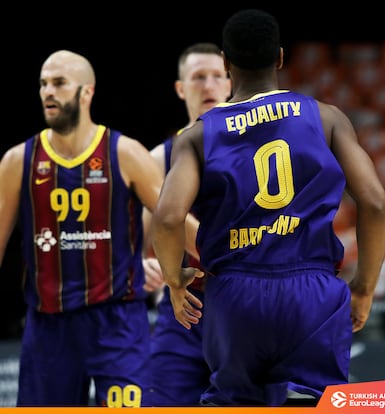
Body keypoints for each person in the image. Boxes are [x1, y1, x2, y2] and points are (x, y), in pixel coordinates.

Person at [150, 9, 385, 407]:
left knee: (234, 401)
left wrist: (176, 282)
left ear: (226, 64)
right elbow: (377, 204)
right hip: (311, 292)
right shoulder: (326, 117)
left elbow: (168, 217)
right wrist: (363, 288)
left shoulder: (197, 135)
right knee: (315, 401)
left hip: (234, 294)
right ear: (280, 57)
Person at [0, 49, 200, 407]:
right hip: (48, 327)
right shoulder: (18, 161)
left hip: (117, 322)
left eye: (59, 83)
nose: (48, 91)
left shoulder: (125, 153)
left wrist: (235, 260)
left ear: (86, 92)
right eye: (43, 83)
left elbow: (175, 221)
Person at [142, 42, 231, 406]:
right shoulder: (157, 158)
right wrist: (141, 263)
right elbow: (129, 237)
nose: (208, 85)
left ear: (230, 83)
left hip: (246, 304)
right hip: (185, 306)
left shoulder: (264, 149)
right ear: (181, 88)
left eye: (217, 76)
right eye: (198, 77)